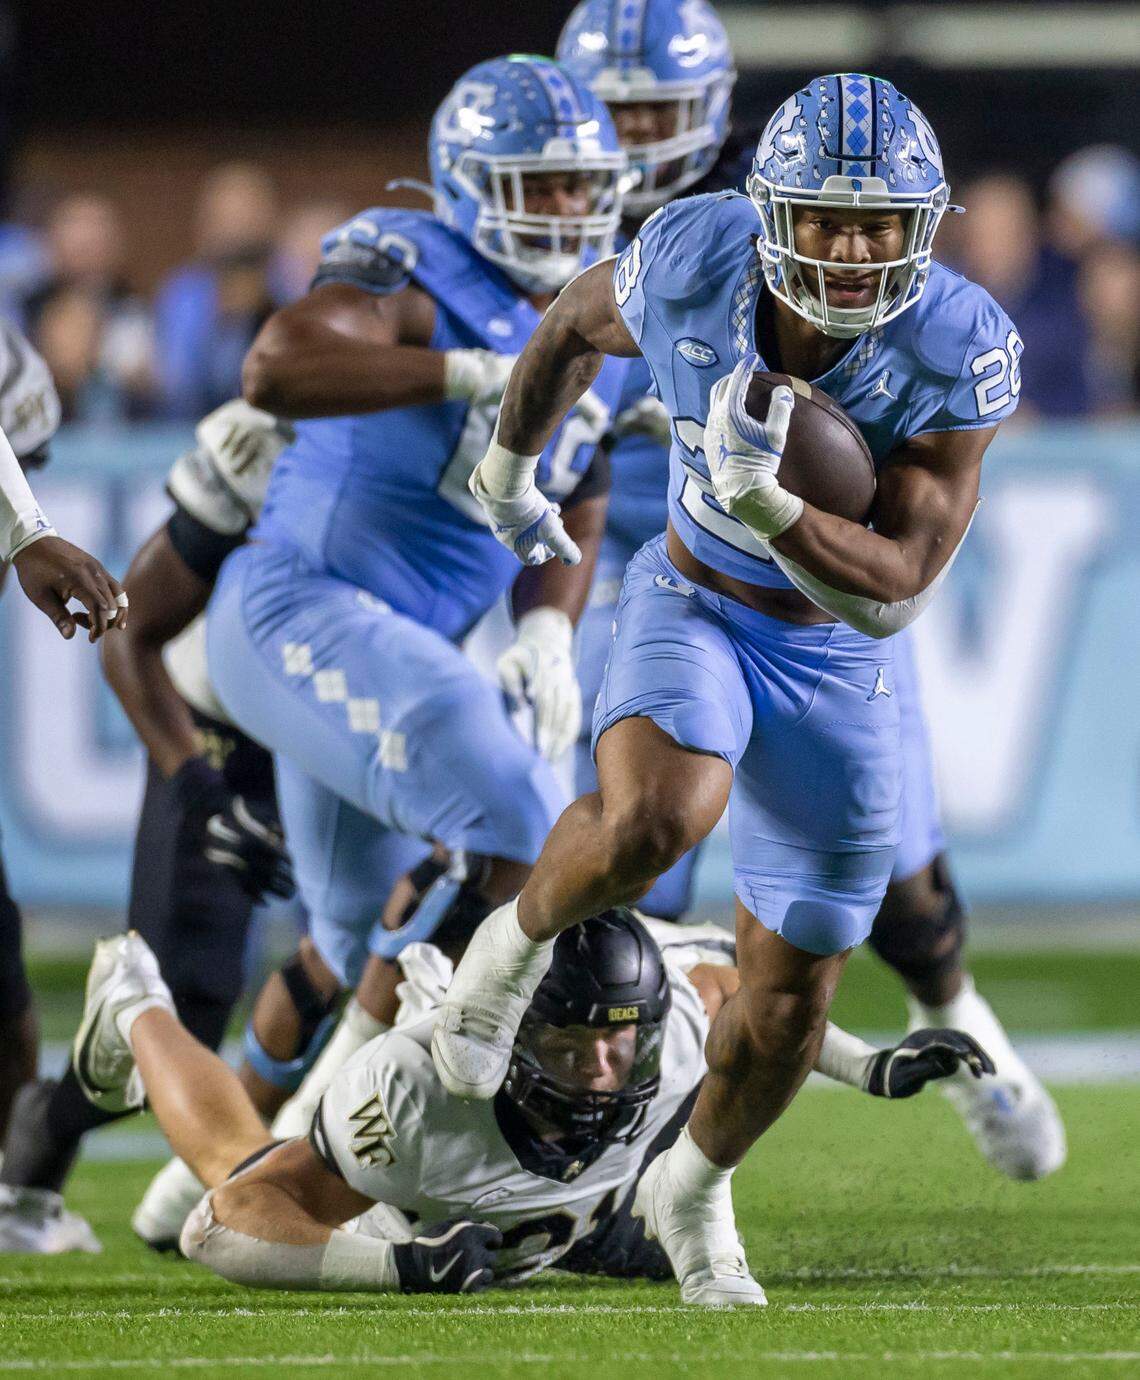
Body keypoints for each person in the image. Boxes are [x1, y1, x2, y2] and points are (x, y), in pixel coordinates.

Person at [433, 72, 1039, 1307]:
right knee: (658, 820)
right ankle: (505, 951)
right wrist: (508, 466)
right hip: (695, 599)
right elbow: (562, 326)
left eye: (882, 223)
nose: (858, 248)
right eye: (826, 218)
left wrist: (775, 504)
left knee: (791, 1000)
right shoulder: (695, 255)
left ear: (927, 224)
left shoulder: (958, 342)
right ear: (770, 213)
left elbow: (901, 587)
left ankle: (694, 1189)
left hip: (838, 653)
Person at [558, 0, 1065, 1183]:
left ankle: (967, 1026)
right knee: (641, 842)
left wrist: (792, 497)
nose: (632, 136)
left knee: (899, 877)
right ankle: (620, 1145)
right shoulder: (545, 206)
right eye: (612, 111)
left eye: (654, 110)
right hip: (646, 550)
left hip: (809, 569)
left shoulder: (784, 205)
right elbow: (552, 336)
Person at [201, 57, 628, 1127]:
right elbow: (278, 365)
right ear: (470, 181)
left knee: (348, 939)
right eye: (546, 184)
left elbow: (583, 480)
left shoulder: (606, 315)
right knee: (522, 816)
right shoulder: (415, 264)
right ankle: (356, 1135)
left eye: (583, 184)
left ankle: (221, 1156)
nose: (572, 207)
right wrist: (470, 373)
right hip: (298, 606)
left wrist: (543, 630)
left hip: (388, 643)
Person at [65, 914, 991, 1293]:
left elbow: (755, 1012)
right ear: (512, 1032)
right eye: (567, 1040)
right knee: (236, 1159)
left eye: (615, 1037)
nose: (598, 1065)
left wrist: (869, 1067)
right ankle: (134, 1001)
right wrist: (399, 1271)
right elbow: (226, 1223)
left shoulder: (669, 1018)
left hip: (572, 1213)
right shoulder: (417, 1094)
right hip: (433, 1205)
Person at [0, 399, 309, 1252]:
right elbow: (129, 639)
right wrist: (201, 788)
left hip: (359, 735)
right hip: (226, 736)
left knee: (394, 951)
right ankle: (57, 1123)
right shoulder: (272, 431)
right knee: (185, 1012)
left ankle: (288, 1172)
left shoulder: (471, 422)